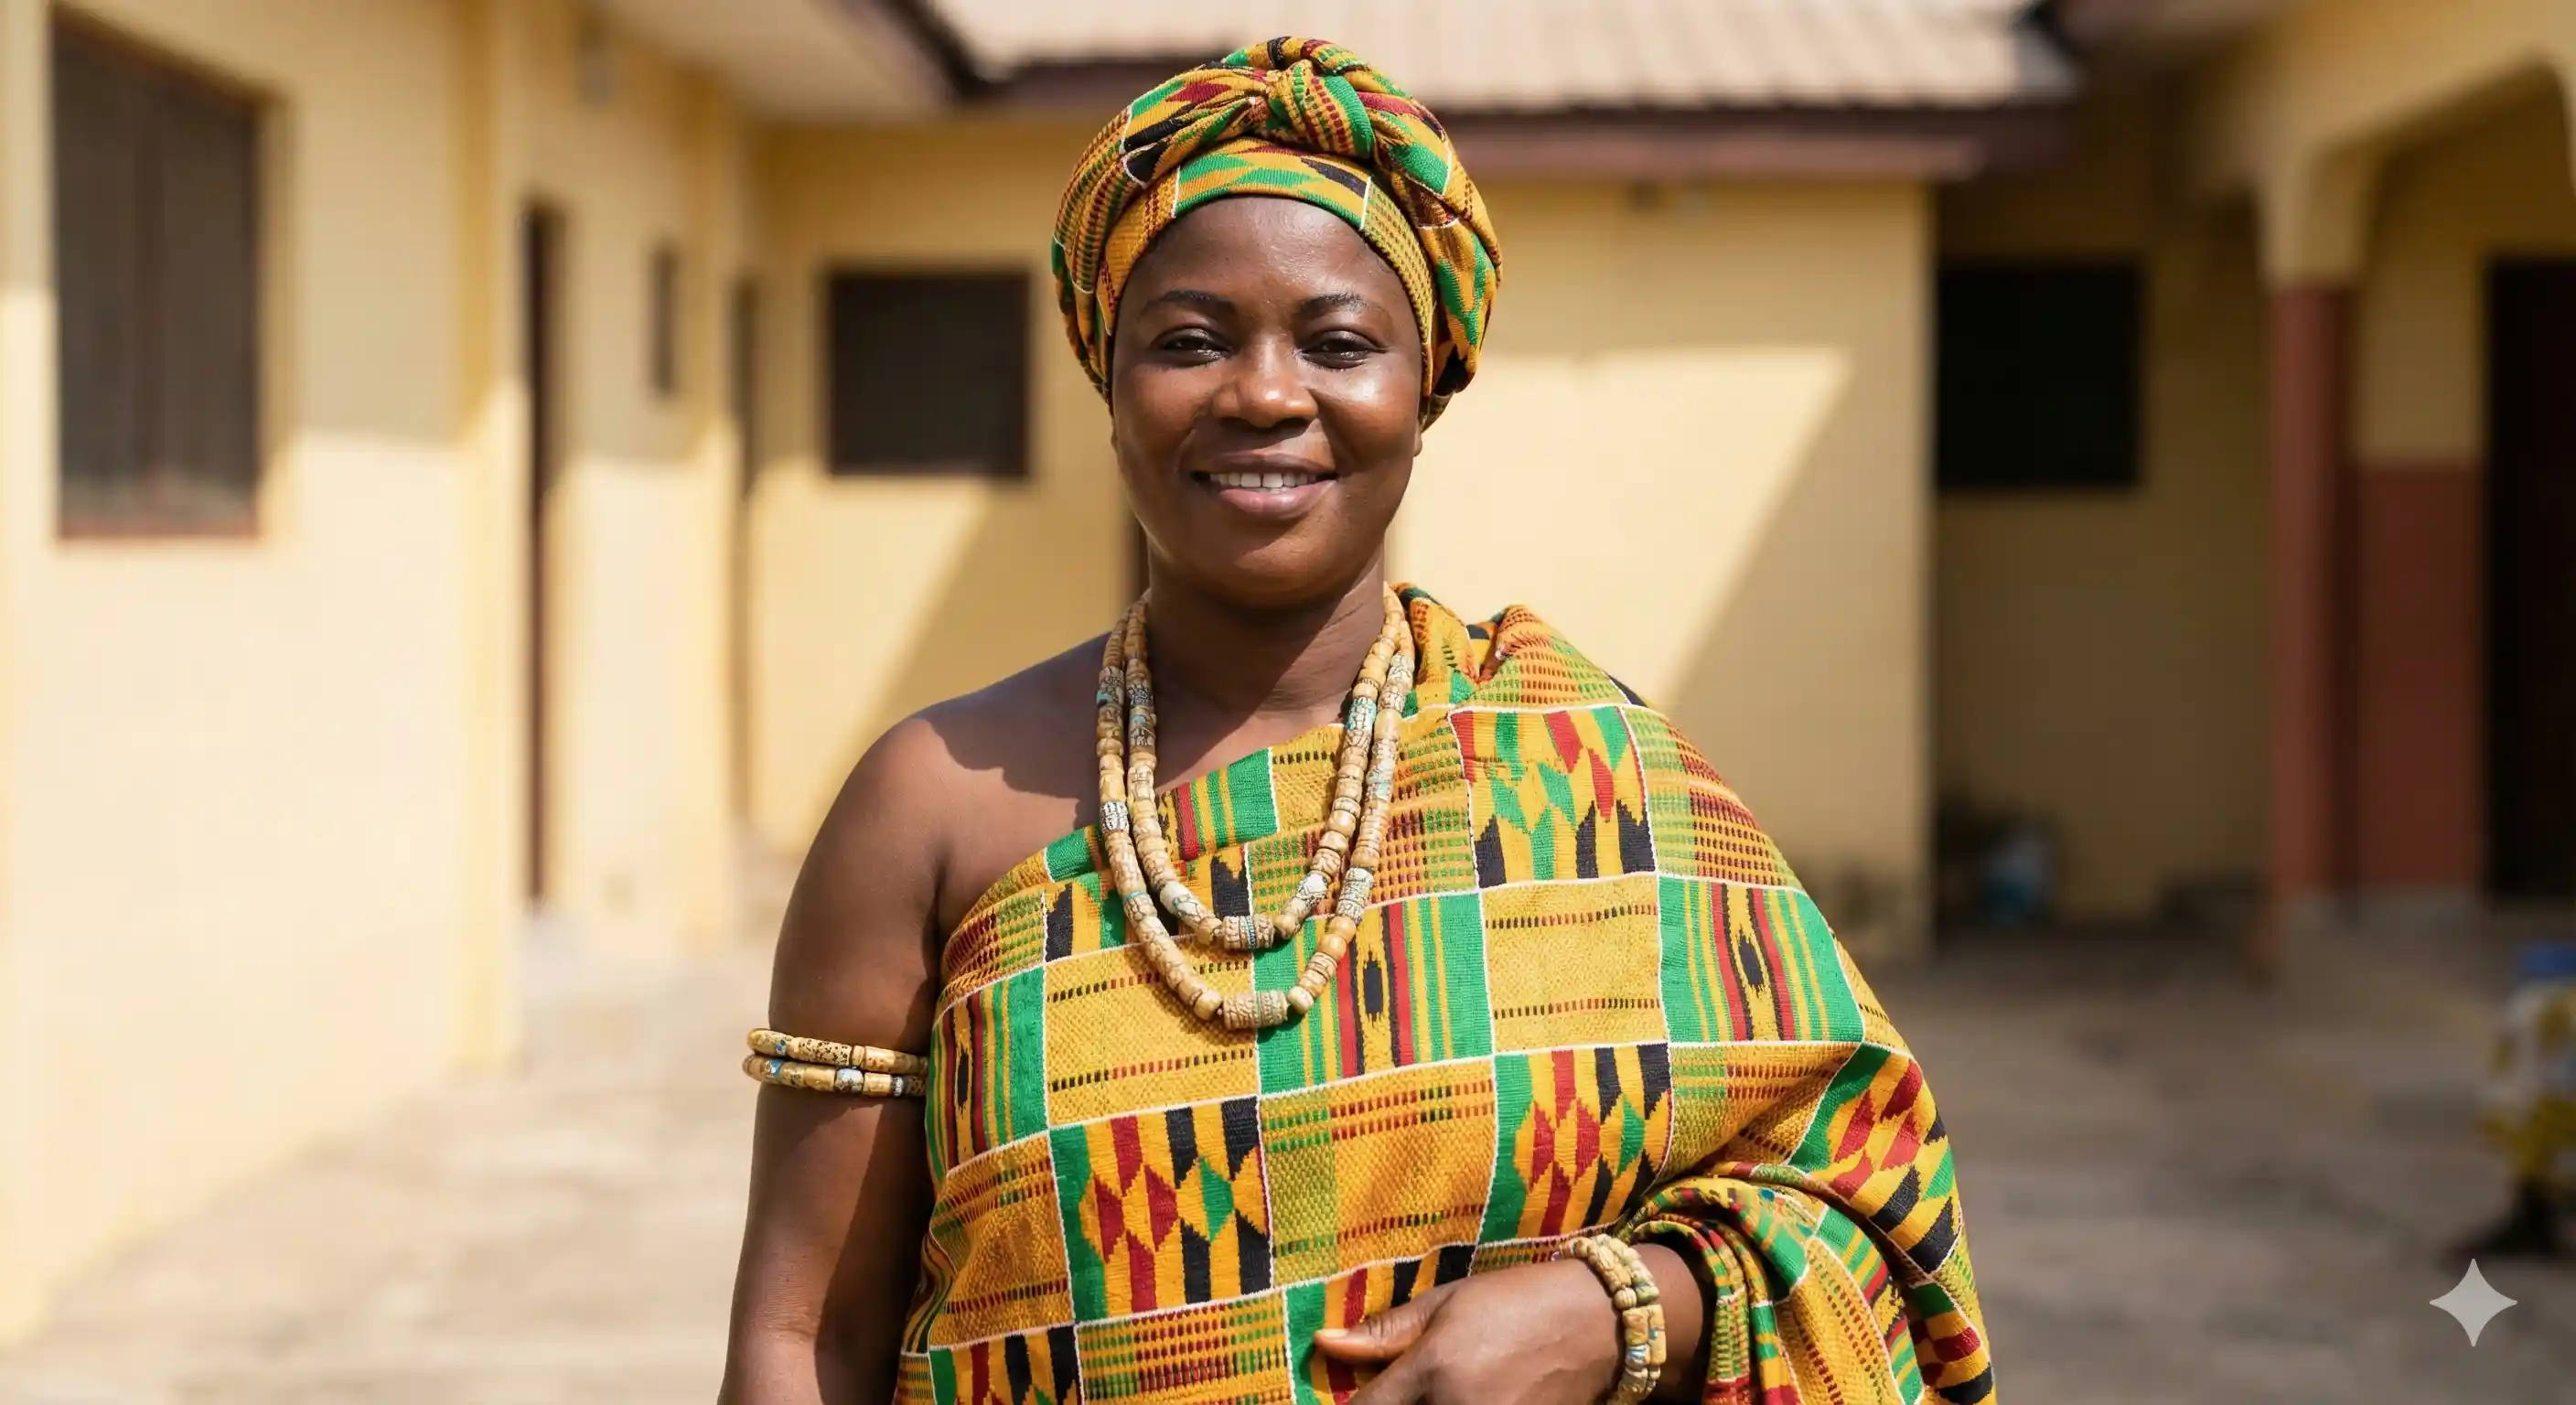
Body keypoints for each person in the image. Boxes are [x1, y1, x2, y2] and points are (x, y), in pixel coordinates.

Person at [721, 38, 1992, 1405]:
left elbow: (1872, 1218)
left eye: (1337, 343)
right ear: (1109, 381)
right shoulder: (933, 807)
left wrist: (1620, 1306)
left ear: (1426, 390)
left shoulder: (1605, 780)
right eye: (1190, 340)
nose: (1266, 395)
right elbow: (808, 1342)